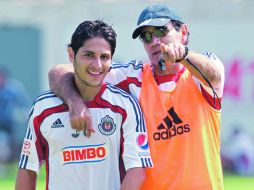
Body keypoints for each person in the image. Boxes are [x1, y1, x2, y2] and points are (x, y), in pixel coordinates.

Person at [48, 4, 225, 190]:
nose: (155, 41)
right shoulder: (134, 76)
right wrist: (74, 102)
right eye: (146, 37)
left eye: (161, 31)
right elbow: (58, 72)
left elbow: (214, 74)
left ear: (183, 32)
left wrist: (183, 55)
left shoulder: (200, 75)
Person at [15, 20, 153, 190]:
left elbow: (137, 170)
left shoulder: (126, 106)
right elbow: (28, 169)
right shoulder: (43, 107)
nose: (97, 65)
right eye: (88, 55)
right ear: (71, 55)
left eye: (104, 57)